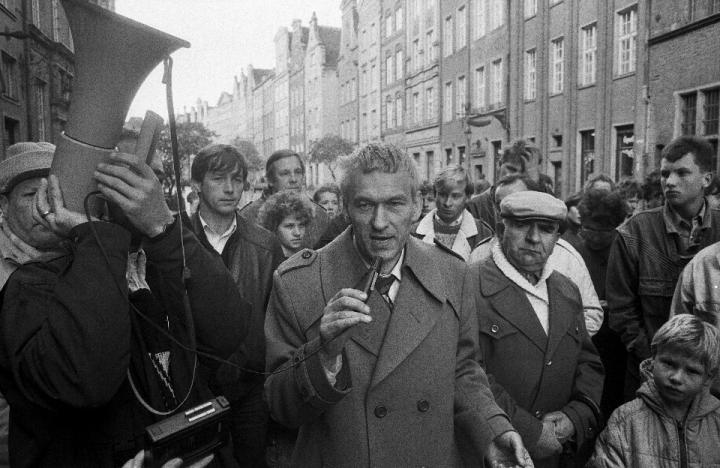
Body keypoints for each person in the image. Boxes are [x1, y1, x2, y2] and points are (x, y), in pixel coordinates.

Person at [264, 143, 532, 467]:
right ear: (345, 208)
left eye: (394, 203)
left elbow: (463, 371)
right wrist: (323, 356)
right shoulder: (299, 283)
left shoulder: (452, 272)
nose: (380, 222)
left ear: (417, 205)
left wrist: (492, 430)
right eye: (365, 205)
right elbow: (279, 407)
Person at [0, 149, 248, 467]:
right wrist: (96, 238)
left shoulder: (157, 261)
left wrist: (163, 227)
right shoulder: (31, 284)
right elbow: (83, 382)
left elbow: (228, 332)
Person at [471, 191, 604, 468]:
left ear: (557, 239)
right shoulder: (470, 285)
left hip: (557, 453)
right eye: (522, 225)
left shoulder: (566, 290)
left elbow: (588, 363)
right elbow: (468, 373)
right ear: (501, 230)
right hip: (495, 451)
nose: (533, 238)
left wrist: (575, 417)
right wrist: (531, 432)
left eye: (545, 229)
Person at [188, 144, 284, 467]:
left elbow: (275, 318)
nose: (230, 189)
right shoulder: (177, 241)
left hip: (249, 387)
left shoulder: (265, 244)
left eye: (237, 179)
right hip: (195, 388)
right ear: (196, 184)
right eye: (218, 179)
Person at [607, 135, 720, 401]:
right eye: (665, 173)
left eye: (682, 173)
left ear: (706, 179)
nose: (669, 182)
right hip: (650, 378)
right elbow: (621, 313)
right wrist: (659, 362)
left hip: (712, 385)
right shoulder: (634, 233)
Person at [470, 174, 604, 337]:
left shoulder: (565, 256)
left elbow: (591, 313)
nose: (506, 208)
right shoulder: (480, 254)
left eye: (518, 200)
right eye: (499, 204)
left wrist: (562, 343)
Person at [0, 142, 65, 468]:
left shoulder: (85, 258)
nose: (44, 205)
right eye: (30, 195)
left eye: (53, 193)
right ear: (4, 203)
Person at [587, 314, 720, 467]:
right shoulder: (626, 420)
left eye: (691, 371)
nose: (676, 378)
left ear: (708, 377)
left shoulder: (717, 422)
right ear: (654, 358)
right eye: (669, 363)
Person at [578, 189, 630, 419]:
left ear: (615, 227)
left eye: (603, 231)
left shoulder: (624, 250)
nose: (595, 237)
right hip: (587, 340)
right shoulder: (575, 253)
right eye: (588, 230)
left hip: (618, 341)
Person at [239, 149, 329, 248]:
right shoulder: (247, 218)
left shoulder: (320, 215)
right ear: (270, 180)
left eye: (298, 172)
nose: (293, 179)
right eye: (285, 173)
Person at [413, 164, 493, 261]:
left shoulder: (483, 233)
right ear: (435, 194)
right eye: (442, 195)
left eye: (455, 196)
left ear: (468, 197)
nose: (448, 203)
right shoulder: (413, 232)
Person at [467, 140, 541, 230]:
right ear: (499, 165)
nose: (515, 177)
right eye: (512, 169)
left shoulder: (540, 204)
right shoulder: (475, 207)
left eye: (524, 174)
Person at [258, 190, 314, 259]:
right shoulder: (265, 260)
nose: (297, 233)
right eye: (290, 226)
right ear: (274, 227)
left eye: (301, 225)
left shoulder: (309, 257)